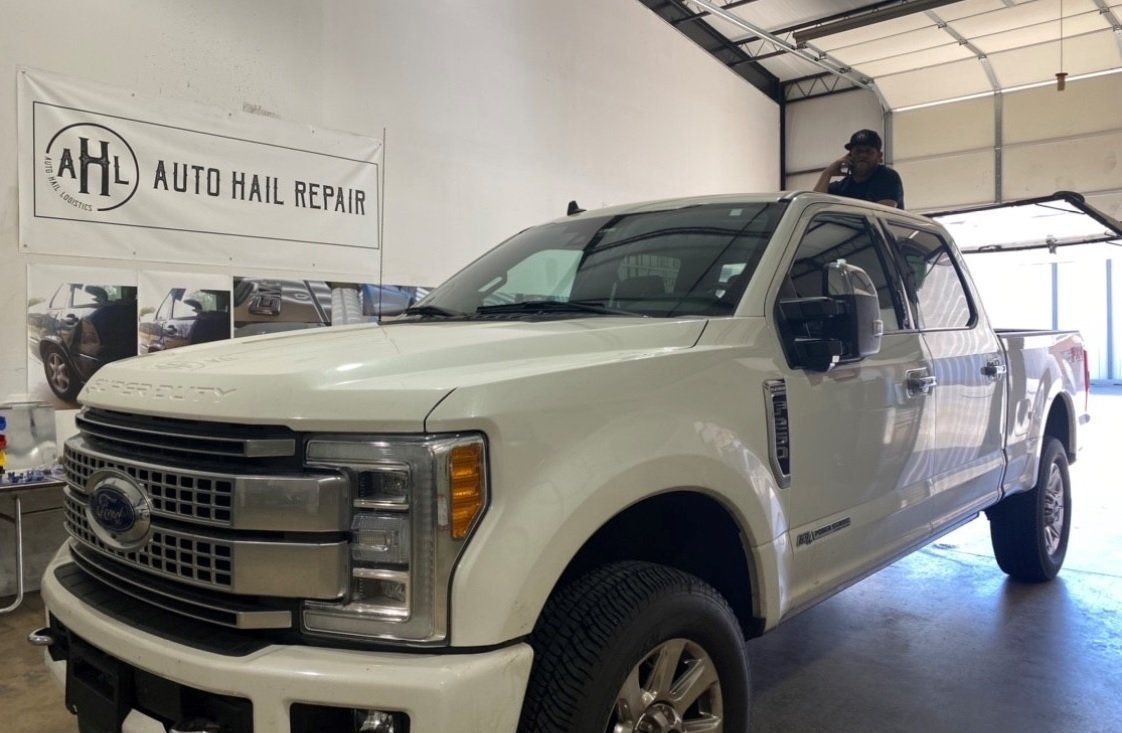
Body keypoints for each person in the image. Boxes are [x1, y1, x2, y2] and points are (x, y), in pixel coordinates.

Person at [813, 129, 904, 208]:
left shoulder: (887, 177)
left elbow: (884, 215)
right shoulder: (841, 187)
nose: (863, 155)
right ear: (849, 155)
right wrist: (827, 173)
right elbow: (814, 207)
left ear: (879, 157)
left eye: (868, 151)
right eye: (858, 151)